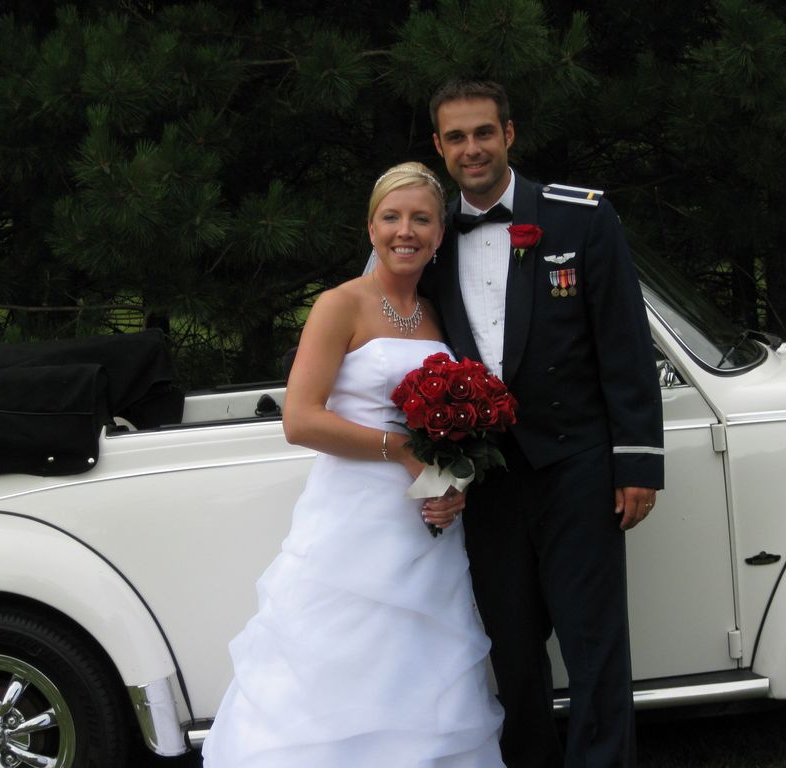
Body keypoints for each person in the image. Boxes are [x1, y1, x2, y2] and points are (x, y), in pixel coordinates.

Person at [202, 161, 505, 767]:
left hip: (426, 527)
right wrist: (405, 452)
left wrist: (449, 484)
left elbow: (446, 430)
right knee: (338, 663)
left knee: (419, 665)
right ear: (371, 228)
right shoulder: (339, 306)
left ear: (440, 234)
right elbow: (301, 420)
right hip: (353, 521)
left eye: (422, 219)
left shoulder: (439, 316)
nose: (406, 231)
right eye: (392, 217)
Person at [421, 79, 665, 767]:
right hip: (487, 479)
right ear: (439, 147)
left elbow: (623, 346)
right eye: (458, 137)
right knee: (513, 649)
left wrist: (638, 464)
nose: (473, 149)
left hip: (577, 468)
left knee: (595, 647)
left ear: (510, 134)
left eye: (484, 133)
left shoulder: (581, 218)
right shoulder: (428, 234)